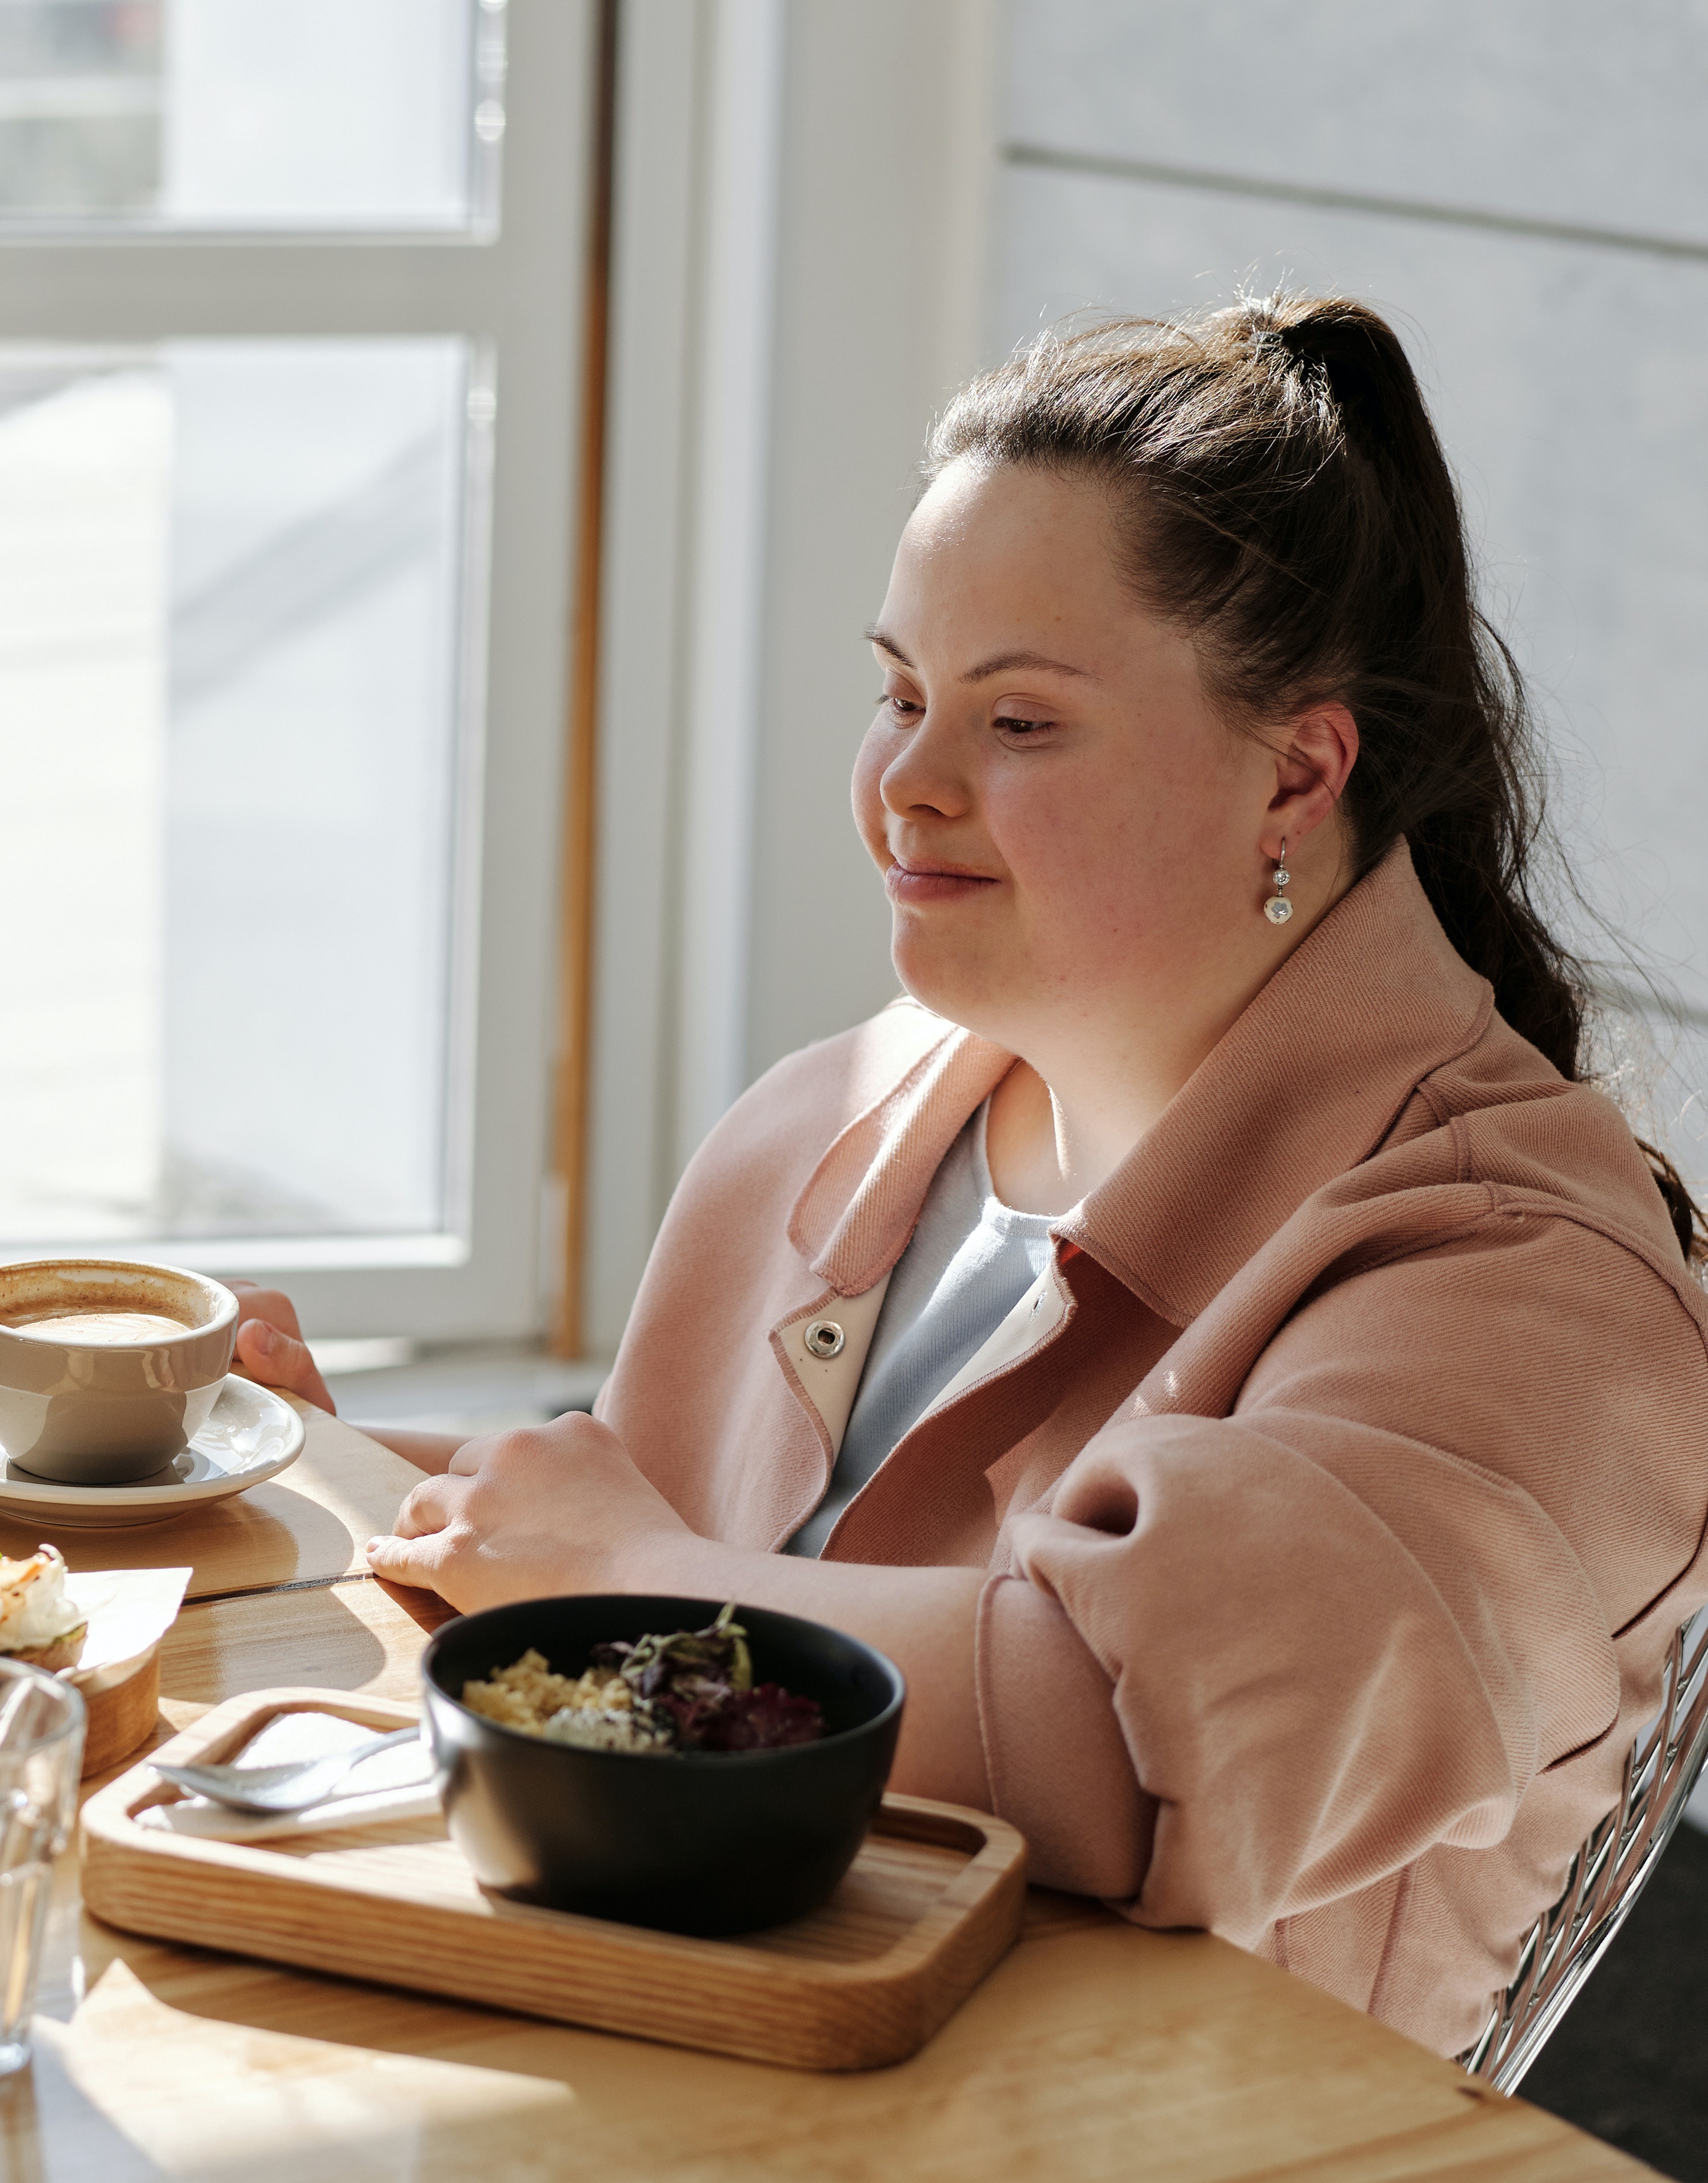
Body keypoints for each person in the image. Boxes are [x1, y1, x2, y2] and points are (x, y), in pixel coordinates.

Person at [235, 294, 1708, 2055]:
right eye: (902, 692)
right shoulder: (840, 1112)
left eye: (1019, 722)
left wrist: (612, 1572)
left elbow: (1120, 1735)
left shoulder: (1521, 1288)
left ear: (1297, 776)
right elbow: (691, 1554)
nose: (904, 787)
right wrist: (308, 1462)